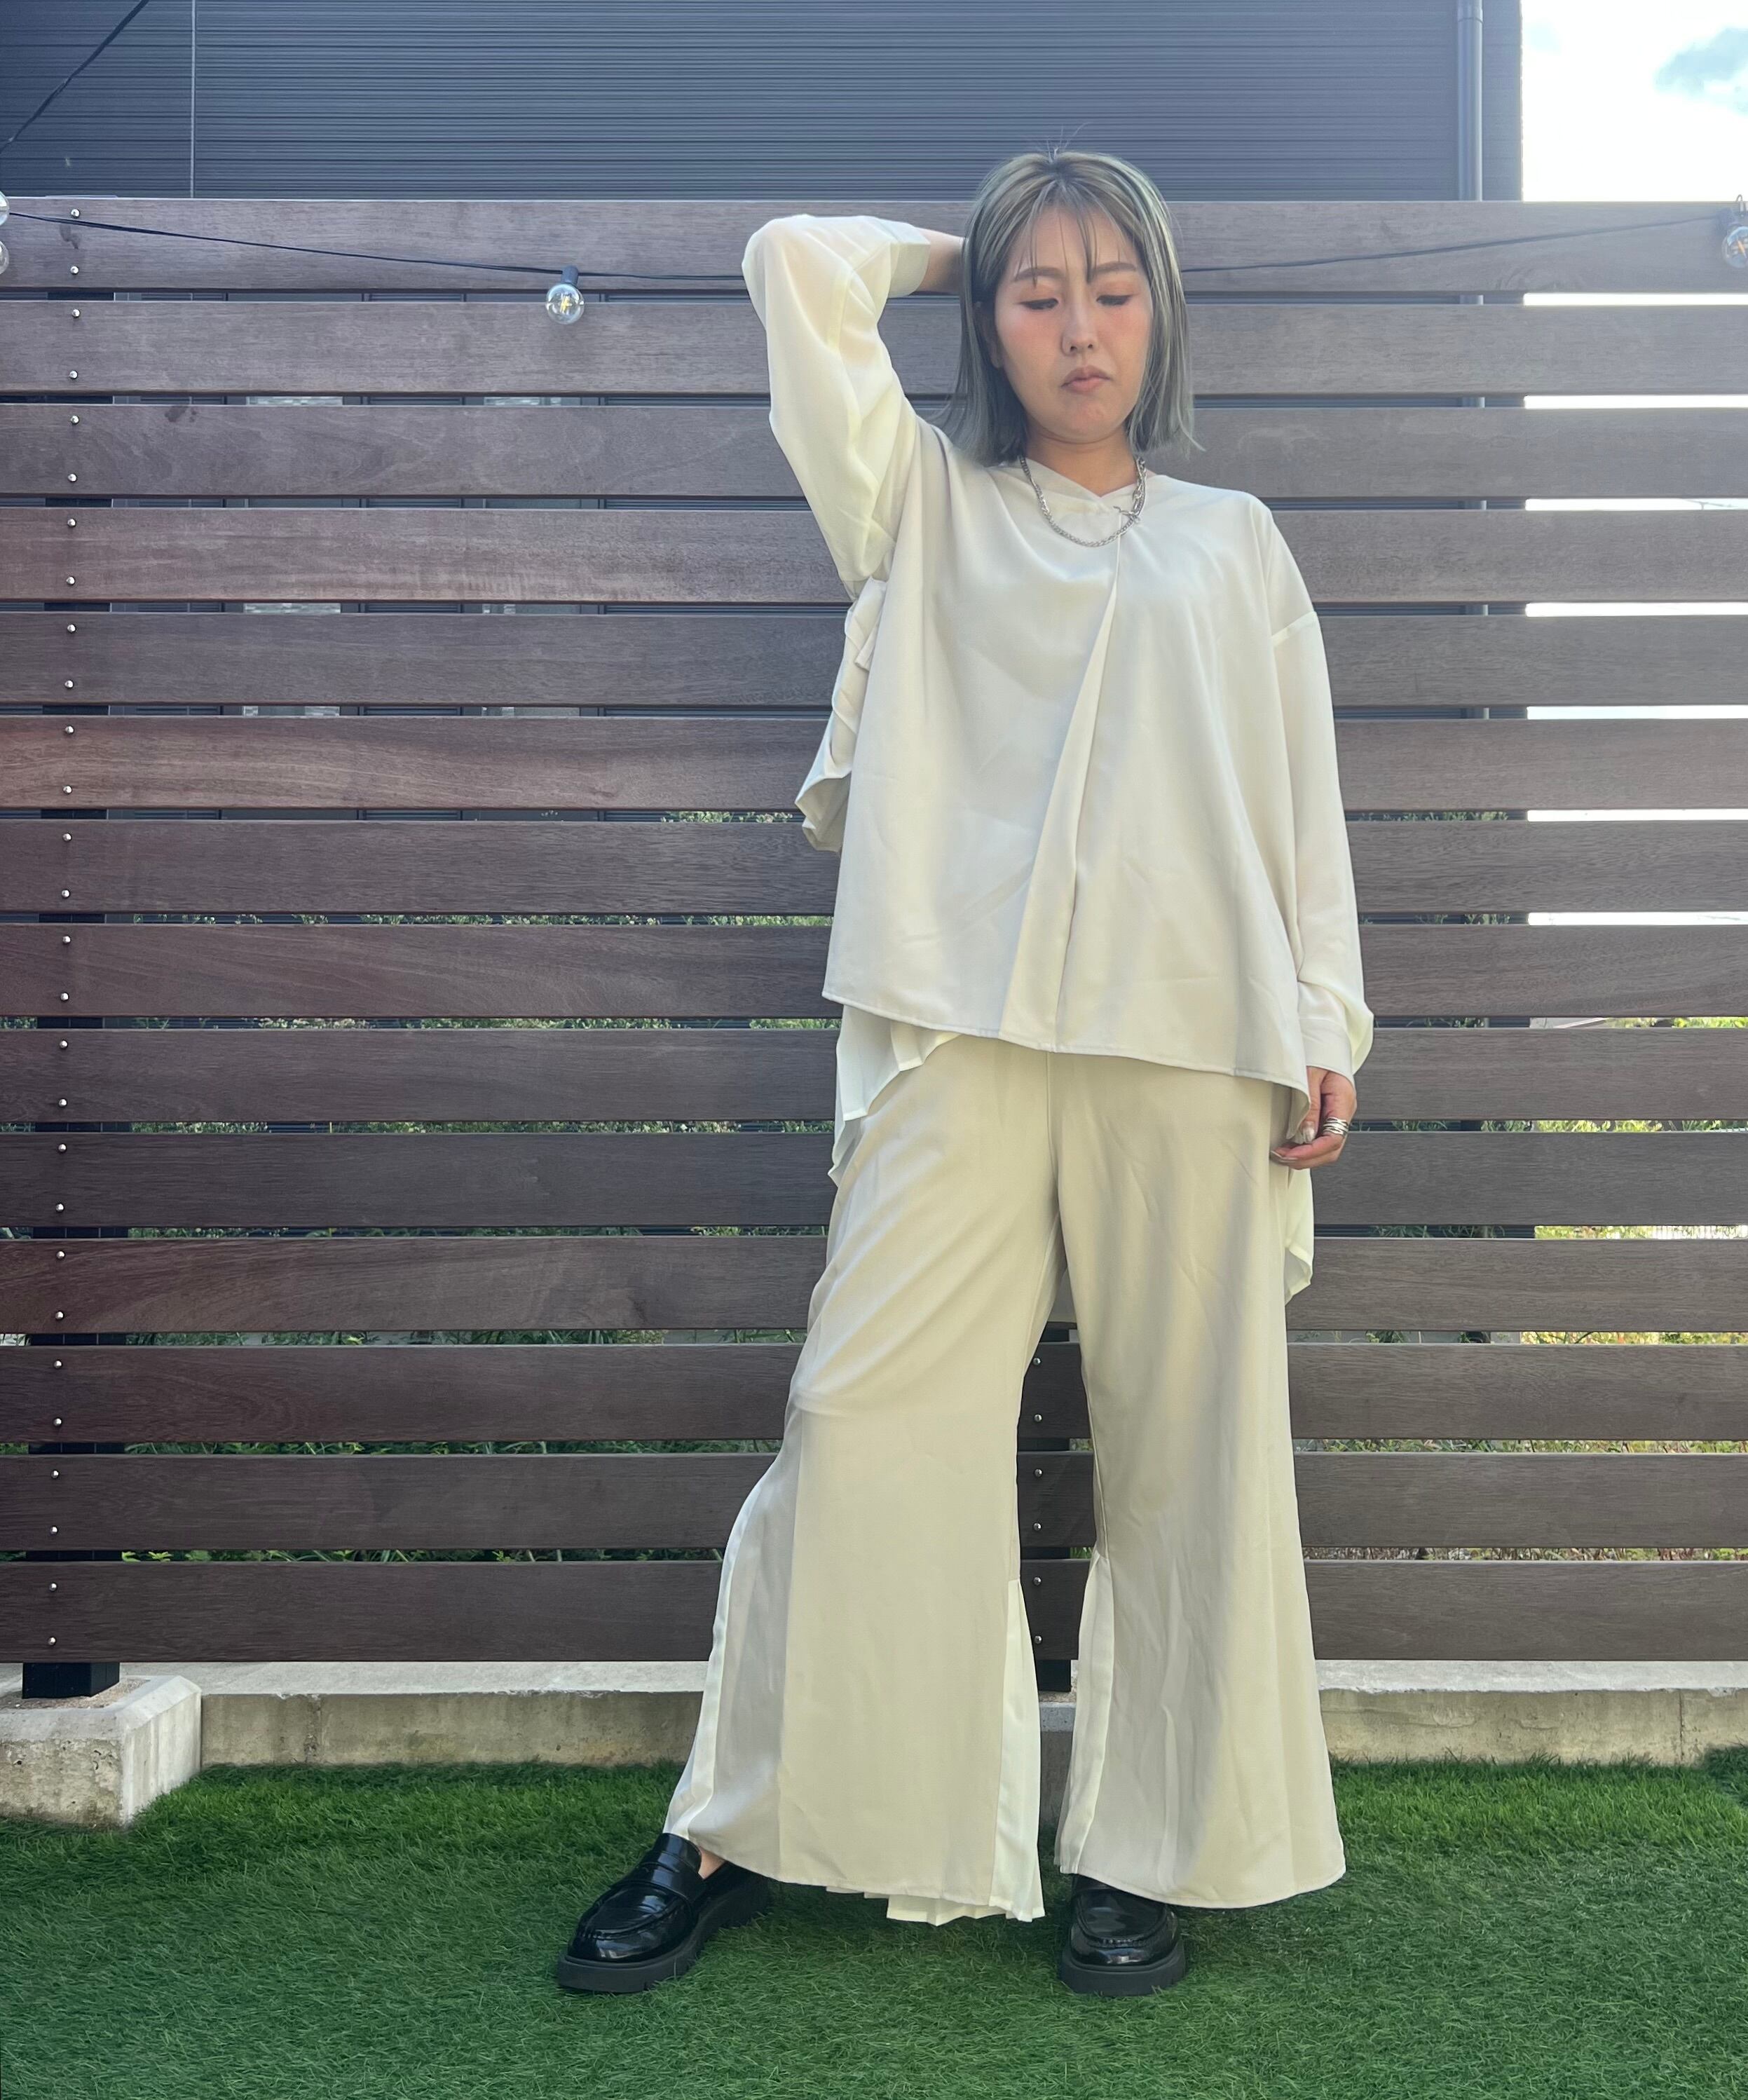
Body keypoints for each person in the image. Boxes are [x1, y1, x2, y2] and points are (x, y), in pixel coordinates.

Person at [557, 146, 1372, 2000]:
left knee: (1196, 1457)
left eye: (1113, 287)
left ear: (1162, 313)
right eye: (1039, 292)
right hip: (962, 1030)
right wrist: (962, 245)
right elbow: (791, 260)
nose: (1080, 326)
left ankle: (1152, 1848)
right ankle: (736, 1822)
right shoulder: (919, 504)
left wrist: (1323, 1014)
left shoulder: (1233, 541)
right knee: (859, 1425)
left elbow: (1297, 803)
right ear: (989, 324)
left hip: (1197, 1036)